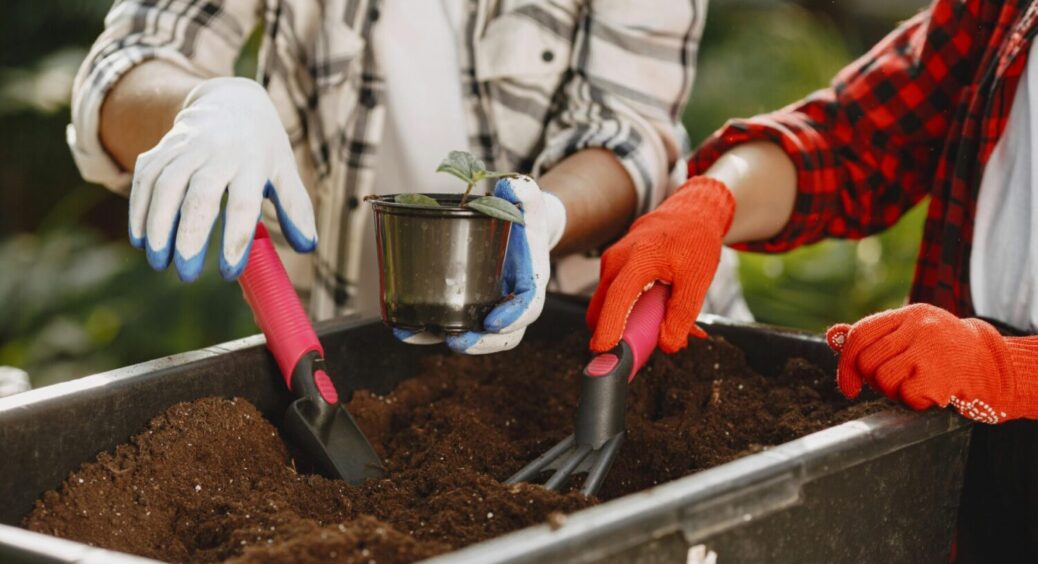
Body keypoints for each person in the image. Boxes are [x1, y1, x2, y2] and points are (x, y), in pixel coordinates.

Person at [587, 0, 1038, 559]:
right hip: (960, 419)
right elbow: (853, 140)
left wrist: (1013, 372)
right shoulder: (1003, 13)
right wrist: (712, 201)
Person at [67, 0, 751, 355]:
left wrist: (541, 216)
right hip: (352, 332)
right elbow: (128, 59)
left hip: (603, 332)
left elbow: (627, 127)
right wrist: (207, 105)